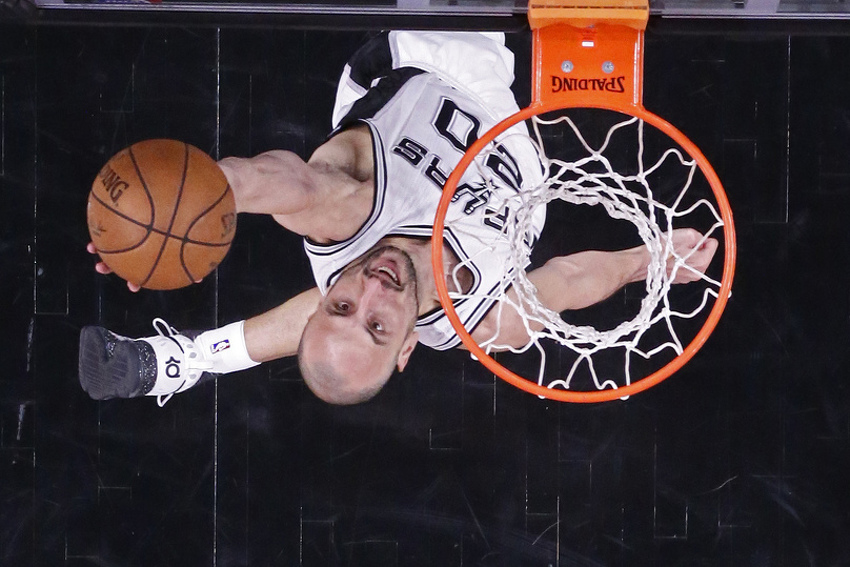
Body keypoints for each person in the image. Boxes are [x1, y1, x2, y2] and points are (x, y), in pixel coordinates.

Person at [79, 31, 718, 406]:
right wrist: (651, 260)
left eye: (340, 305)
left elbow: (277, 181)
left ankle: (183, 359)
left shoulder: (338, 213)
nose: (371, 292)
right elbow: (574, 278)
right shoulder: (485, 322)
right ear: (409, 346)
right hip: (522, 133)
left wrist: (187, 202)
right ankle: (179, 360)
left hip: (435, 56)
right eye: (379, 326)